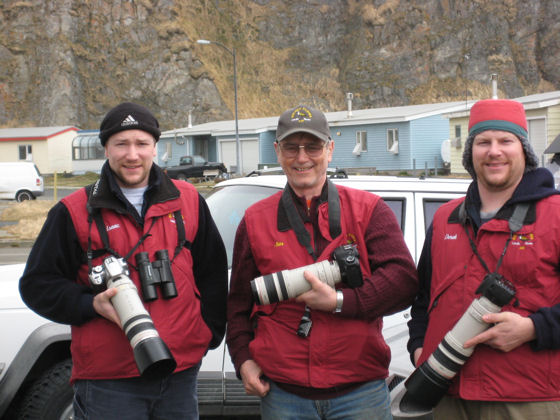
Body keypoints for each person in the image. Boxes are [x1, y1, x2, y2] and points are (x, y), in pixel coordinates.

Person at [19, 102, 228, 420]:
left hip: (179, 372)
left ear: (156, 148)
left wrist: (206, 334)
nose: (132, 154)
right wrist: (92, 305)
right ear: (106, 149)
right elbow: (37, 285)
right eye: (121, 144)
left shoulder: (188, 201)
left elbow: (212, 273)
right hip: (109, 380)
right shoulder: (74, 211)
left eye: (142, 143)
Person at [226, 105, 418, 419]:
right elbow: (237, 305)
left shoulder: (369, 210)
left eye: (313, 146)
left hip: (360, 392)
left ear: (329, 150)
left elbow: (403, 283)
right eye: (291, 147)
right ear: (277, 151)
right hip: (283, 393)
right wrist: (243, 360)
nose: (302, 158)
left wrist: (340, 301)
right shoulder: (255, 220)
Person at [407, 98, 560, 419]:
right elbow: (423, 297)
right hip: (447, 393)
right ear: (470, 152)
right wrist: (419, 347)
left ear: (524, 151)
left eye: (506, 140)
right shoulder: (446, 217)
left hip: (526, 397)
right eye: (483, 142)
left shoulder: (555, 216)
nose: (494, 151)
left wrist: (533, 328)